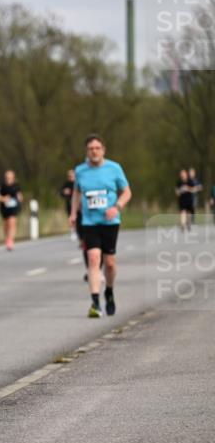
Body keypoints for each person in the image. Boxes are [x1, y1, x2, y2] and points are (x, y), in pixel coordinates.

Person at [69, 134, 132, 318]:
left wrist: (116, 207)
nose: (94, 152)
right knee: (94, 258)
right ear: (86, 152)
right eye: (90, 149)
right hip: (90, 222)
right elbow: (76, 193)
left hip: (110, 222)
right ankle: (95, 303)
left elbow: (127, 192)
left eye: (97, 148)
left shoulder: (114, 168)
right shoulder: (80, 171)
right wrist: (73, 213)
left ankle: (109, 292)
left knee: (110, 263)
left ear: (103, 150)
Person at [0, 170, 23, 251]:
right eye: (7, 177)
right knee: (6, 225)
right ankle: (7, 238)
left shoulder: (16, 186)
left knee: (12, 222)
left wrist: (20, 198)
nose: (8, 179)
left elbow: (20, 195)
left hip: (14, 208)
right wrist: (3, 198)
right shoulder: (1, 186)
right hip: (4, 208)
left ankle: (10, 240)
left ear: (13, 178)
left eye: (10, 177)